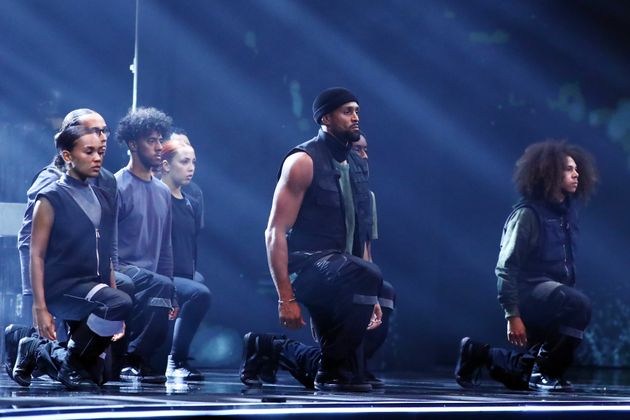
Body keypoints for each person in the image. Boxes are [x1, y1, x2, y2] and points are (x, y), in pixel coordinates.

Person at [240, 131, 395, 390]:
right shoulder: (313, 174)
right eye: (358, 150)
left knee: (385, 292)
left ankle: (272, 348)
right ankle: (332, 368)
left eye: (366, 151)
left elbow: (365, 252)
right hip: (312, 267)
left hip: (350, 274)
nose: (364, 157)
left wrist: (373, 291)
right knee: (339, 368)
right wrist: (285, 298)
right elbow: (275, 231)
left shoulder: (366, 197)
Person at [455, 140, 598, 391]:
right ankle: (544, 371)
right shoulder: (528, 215)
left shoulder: (564, 215)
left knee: (522, 372)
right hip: (529, 293)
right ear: (549, 172)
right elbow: (506, 267)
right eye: (568, 169)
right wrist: (513, 314)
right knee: (579, 305)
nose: (576, 174)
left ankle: (478, 352)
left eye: (576, 168)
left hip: (554, 297)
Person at [7, 108, 134, 382]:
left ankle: (42, 354)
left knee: (97, 375)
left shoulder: (106, 183)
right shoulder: (51, 185)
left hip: (91, 277)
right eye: (92, 132)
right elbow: (31, 244)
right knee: (80, 363)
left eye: (103, 131)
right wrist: (36, 301)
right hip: (63, 281)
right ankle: (41, 347)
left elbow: (107, 242)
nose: (101, 138)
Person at [114, 107, 175, 384]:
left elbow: (165, 247)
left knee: (157, 376)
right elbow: (108, 241)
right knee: (159, 285)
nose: (159, 147)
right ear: (132, 144)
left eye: (160, 140)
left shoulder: (163, 191)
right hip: (122, 271)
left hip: (153, 279)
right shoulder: (116, 185)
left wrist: (171, 286)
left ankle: (143, 363)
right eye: (151, 140)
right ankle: (131, 358)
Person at [159, 138, 211, 380]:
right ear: (166, 165)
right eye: (184, 161)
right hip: (159, 272)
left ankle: (176, 354)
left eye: (193, 162)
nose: (191, 167)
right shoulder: (157, 197)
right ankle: (175, 359)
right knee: (199, 293)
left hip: (181, 270)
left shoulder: (190, 202)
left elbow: (190, 245)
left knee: (199, 282)